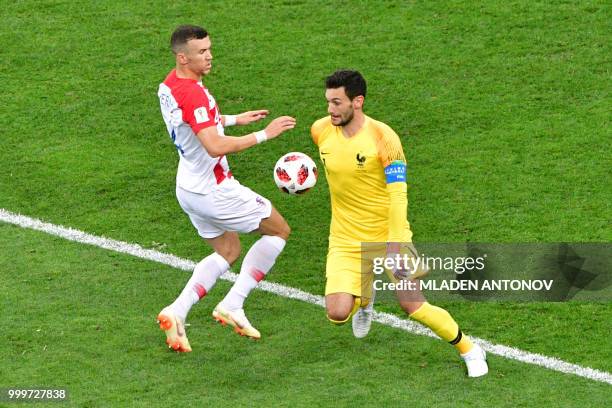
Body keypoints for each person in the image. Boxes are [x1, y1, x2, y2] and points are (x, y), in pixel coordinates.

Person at [310, 70, 488, 377]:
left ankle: (470, 350)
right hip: (344, 239)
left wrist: (394, 245)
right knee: (337, 313)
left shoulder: (384, 138)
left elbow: (398, 196)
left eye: (337, 102)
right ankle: (365, 300)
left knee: (413, 305)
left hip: (389, 235)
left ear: (358, 101)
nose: (330, 110)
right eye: (328, 102)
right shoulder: (320, 131)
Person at [156, 25, 295, 352]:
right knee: (278, 231)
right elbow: (215, 146)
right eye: (202, 52)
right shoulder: (194, 92)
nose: (209, 56)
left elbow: (193, 121)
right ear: (183, 57)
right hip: (215, 190)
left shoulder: (171, 84)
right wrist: (265, 134)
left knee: (228, 251)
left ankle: (177, 311)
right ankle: (233, 304)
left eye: (209, 49)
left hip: (187, 188)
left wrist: (234, 119)